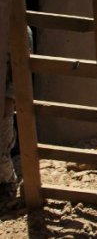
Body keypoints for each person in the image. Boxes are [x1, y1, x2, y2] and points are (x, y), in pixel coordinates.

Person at [1, 27, 32, 201]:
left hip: (4, 100)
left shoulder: (19, 30)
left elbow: (19, 71)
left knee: (2, 146)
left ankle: (7, 185)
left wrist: (9, 101)